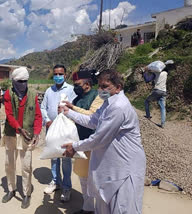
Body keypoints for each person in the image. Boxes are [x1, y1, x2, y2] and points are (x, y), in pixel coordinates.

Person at [61, 70, 146, 214]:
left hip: (125, 169)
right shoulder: (107, 103)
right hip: (111, 165)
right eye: (100, 86)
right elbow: (93, 120)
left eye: (105, 86)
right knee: (104, 206)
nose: (101, 90)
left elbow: (99, 138)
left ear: (118, 87)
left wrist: (75, 146)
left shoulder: (119, 106)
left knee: (121, 208)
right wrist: (68, 113)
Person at [63, 68, 104, 214]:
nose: (76, 87)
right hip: (80, 143)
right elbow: (72, 118)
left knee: (95, 179)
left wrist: (72, 109)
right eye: (74, 84)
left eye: (78, 83)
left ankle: (99, 209)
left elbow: (92, 116)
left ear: (87, 83)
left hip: (94, 143)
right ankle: (87, 208)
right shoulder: (76, 99)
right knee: (83, 178)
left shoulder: (97, 96)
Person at [1, 67, 42, 209]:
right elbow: (9, 115)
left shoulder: (33, 95)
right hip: (11, 133)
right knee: (9, 164)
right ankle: (11, 189)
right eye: (20, 81)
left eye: (25, 81)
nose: (23, 84)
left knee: (26, 166)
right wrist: (19, 129)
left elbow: (37, 115)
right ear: (14, 81)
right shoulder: (8, 94)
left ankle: (26, 193)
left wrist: (36, 133)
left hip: (27, 134)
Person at [41, 64, 76, 202]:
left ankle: (67, 187)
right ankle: (55, 182)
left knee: (66, 158)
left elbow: (74, 108)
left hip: (65, 128)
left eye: (60, 74)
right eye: (55, 74)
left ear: (65, 75)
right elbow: (43, 107)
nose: (58, 76)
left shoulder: (71, 90)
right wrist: (48, 120)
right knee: (53, 156)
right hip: (51, 127)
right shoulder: (49, 90)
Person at [144, 60, 171, 128]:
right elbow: (166, 68)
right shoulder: (165, 73)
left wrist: (145, 72)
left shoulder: (155, 73)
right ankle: (163, 124)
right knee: (162, 107)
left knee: (147, 101)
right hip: (164, 91)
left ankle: (148, 116)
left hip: (157, 91)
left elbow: (147, 80)